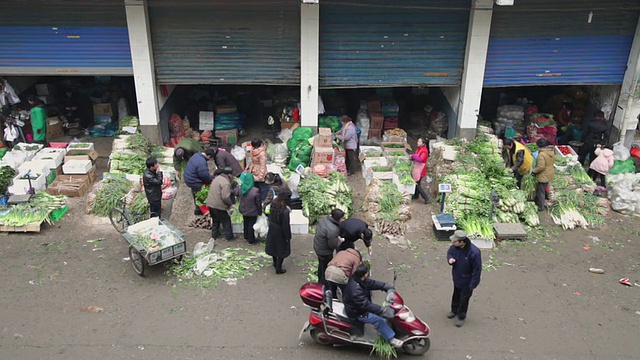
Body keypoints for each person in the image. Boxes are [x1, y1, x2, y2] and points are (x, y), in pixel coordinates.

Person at [342, 264, 403, 348]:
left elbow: (371, 283)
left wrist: (384, 286)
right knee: (378, 320)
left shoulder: (359, 279)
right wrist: (382, 310)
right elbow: (365, 305)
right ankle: (391, 339)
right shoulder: (356, 290)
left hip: (359, 308)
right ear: (365, 274)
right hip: (357, 312)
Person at [446, 230, 482, 328]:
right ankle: (454, 310)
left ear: (462, 242)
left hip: (467, 281)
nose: (453, 243)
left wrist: (473, 284)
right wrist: (450, 259)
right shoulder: (454, 247)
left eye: (455, 241)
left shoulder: (474, 252)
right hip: (457, 277)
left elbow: (477, 270)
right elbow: (450, 253)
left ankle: (461, 316)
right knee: (456, 295)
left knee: (464, 299)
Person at [313, 209, 345, 286]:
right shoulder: (333, 229)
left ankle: (320, 280)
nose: (343, 220)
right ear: (338, 218)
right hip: (325, 252)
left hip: (318, 246)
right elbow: (333, 245)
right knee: (326, 268)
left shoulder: (324, 219)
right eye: (342, 218)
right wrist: (340, 241)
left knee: (321, 265)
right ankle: (324, 285)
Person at [265, 187, 293, 274]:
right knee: (281, 249)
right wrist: (287, 237)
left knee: (273, 247)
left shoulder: (274, 203)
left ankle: (274, 262)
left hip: (272, 228)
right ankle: (279, 267)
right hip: (280, 232)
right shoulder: (284, 211)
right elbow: (285, 225)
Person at [206, 167, 236, 241]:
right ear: (229, 175)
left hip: (210, 204)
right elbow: (225, 197)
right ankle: (229, 236)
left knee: (215, 220)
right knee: (226, 220)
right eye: (232, 175)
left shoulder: (217, 178)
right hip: (218, 205)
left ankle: (214, 235)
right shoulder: (226, 183)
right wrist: (230, 204)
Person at [184, 147, 215, 215]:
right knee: (200, 195)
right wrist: (211, 178)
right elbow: (204, 175)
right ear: (209, 156)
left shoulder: (197, 155)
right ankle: (200, 210)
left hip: (188, 177)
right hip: (193, 180)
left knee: (196, 193)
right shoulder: (202, 162)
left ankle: (198, 208)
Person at [531, 139, 555, 212]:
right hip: (549, 173)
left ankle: (540, 206)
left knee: (540, 191)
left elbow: (541, 167)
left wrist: (534, 171)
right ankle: (545, 199)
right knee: (544, 188)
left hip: (543, 175)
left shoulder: (541, 154)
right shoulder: (551, 152)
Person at [239, 172, 262, 244]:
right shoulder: (255, 191)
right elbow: (258, 202)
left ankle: (246, 236)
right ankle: (251, 239)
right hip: (252, 211)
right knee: (251, 224)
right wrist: (260, 211)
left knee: (246, 222)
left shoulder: (241, 188)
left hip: (243, 209)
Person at [410, 136, 430, 204]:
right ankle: (416, 196)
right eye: (418, 141)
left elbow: (420, 159)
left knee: (417, 184)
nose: (417, 142)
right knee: (417, 182)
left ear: (423, 143)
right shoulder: (419, 148)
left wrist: (413, 156)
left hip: (421, 169)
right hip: (417, 167)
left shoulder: (424, 151)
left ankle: (426, 197)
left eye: (419, 142)